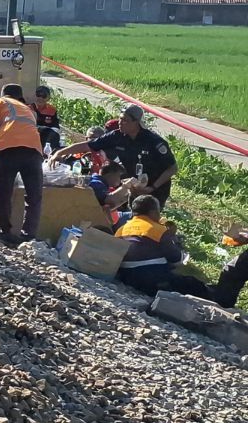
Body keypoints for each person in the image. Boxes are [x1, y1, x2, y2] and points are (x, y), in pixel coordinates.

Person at [115, 196, 243, 307]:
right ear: (153, 212)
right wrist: (177, 245)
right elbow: (175, 258)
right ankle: (219, 302)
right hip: (149, 279)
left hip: (125, 276)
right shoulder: (157, 230)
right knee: (192, 283)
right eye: (159, 211)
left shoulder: (121, 229)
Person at [52, 104, 177, 207]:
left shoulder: (154, 141)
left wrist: (152, 187)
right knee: (134, 216)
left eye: (125, 120)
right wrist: (60, 153)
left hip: (156, 187)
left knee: (149, 219)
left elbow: (172, 168)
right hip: (134, 185)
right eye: (120, 119)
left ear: (137, 123)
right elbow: (88, 145)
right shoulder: (116, 136)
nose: (120, 123)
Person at [0, 83, 44, 245]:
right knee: (34, 195)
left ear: (4, 94)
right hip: (34, 151)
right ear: (20, 97)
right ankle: (29, 235)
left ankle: (5, 231)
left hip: (8, 149)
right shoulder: (28, 109)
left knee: (5, 191)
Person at [88, 162, 133, 229]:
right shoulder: (97, 184)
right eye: (119, 176)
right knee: (134, 217)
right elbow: (109, 201)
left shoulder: (100, 182)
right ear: (110, 175)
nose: (120, 180)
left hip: (110, 218)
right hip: (98, 222)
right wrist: (126, 186)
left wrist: (130, 193)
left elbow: (110, 205)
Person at [31, 85, 62, 150]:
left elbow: (56, 127)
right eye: (38, 95)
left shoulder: (52, 110)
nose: (40, 98)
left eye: (44, 96)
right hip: (32, 137)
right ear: (34, 96)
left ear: (48, 98)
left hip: (47, 138)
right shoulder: (28, 109)